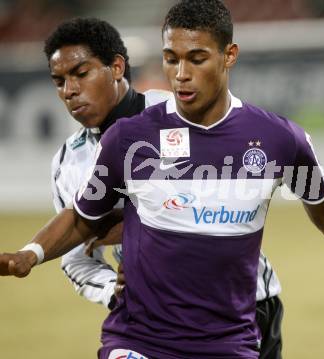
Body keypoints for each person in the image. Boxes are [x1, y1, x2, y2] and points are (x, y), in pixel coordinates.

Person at [0, 2, 324, 358]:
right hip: (142, 332)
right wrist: (32, 256)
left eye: (196, 59)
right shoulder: (127, 138)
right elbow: (81, 219)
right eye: (171, 60)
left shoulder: (276, 138)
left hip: (242, 316)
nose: (181, 73)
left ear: (229, 56)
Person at [46, 17, 283, 357]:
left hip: (244, 306)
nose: (69, 91)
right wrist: (112, 289)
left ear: (116, 68)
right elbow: (76, 260)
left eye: (80, 75)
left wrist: (126, 223)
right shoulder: (68, 163)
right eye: (59, 81)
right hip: (155, 321)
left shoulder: (181, 111)